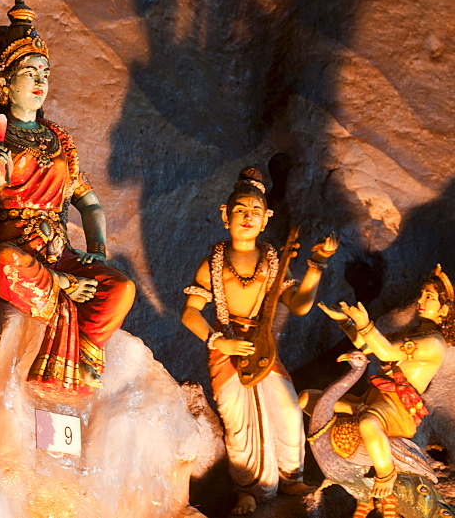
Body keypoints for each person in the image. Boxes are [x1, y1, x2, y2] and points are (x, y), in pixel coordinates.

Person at [0, 0, 135, 392]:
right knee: (5, 263)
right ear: (3, 82)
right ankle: (62, 290)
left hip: (61, 252)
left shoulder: (59, 141)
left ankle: (87, 346)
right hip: (17, 252)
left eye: (45, 74)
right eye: (29, 72)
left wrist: (97, 249)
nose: (40, 82)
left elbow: (89, 202)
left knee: (121, 288)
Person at [181, 167, 338, 515]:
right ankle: (248, 489)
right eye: (240, 210)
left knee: (286, 410)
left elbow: (298, 305)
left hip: (264, 349)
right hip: (227, 350)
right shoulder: (214, 263)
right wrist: (218, 341)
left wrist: (316, 265)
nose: (247, 217)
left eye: (255, 211)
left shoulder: (271, 260)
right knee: (239, 425)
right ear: (225, 215)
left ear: (266, 219)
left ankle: (291, 475)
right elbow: (190, 313)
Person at [306, 265, 455, 501]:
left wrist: (365, 324)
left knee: (367, 423)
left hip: (395, 411)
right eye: (421, 294)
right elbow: (370, 349)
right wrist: (346, 323)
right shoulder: (415, 333)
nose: (421, 300)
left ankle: (385, 474)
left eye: (430, 297)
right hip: (371, 399)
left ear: (444, 310)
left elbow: (385, 353)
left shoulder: (434, 342)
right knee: (311, 399)